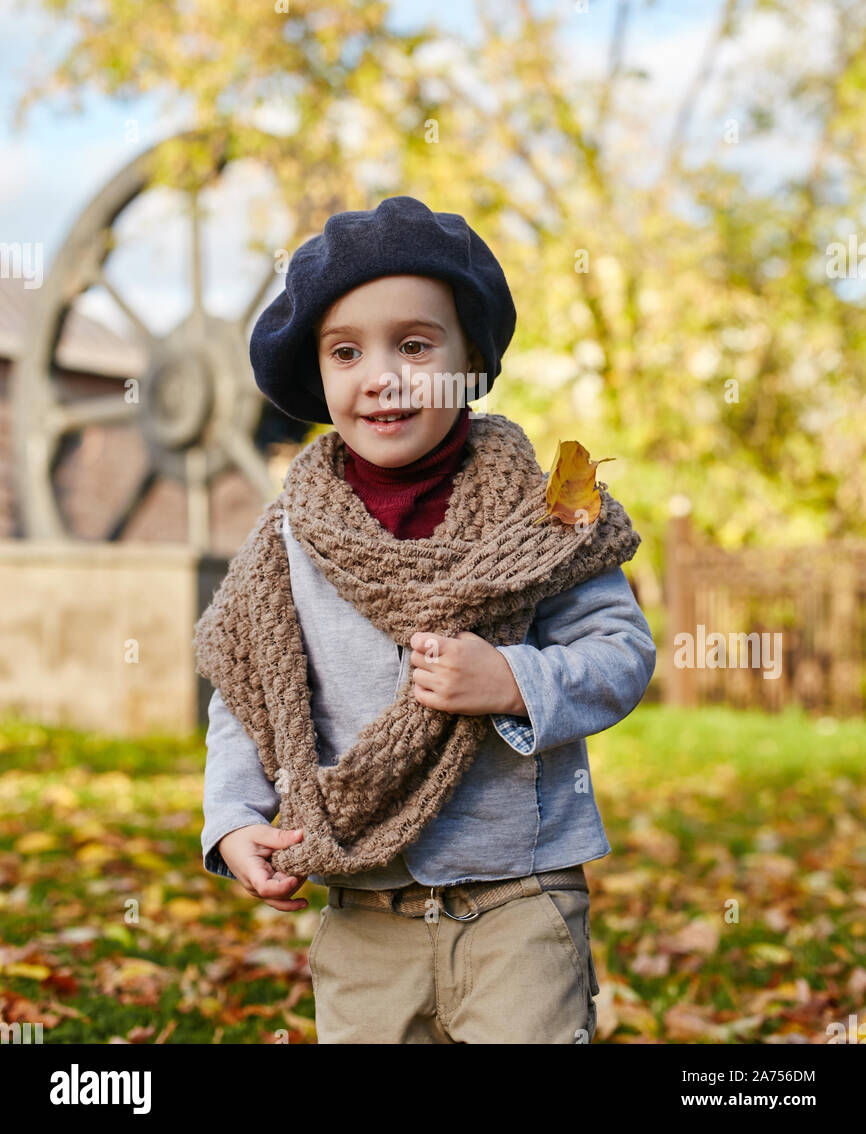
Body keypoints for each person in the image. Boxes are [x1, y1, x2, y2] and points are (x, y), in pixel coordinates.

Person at [196, 194, 656, 1044]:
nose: (383, 375)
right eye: (347, 351)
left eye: (414, 344)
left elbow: (621, 652)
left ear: (471, 362)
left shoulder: (543, 516)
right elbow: (246, 691)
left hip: (519, 894)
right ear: (320, 376)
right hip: (364, 902)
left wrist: (513, 681)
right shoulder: (292, 536)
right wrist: (232, 819)